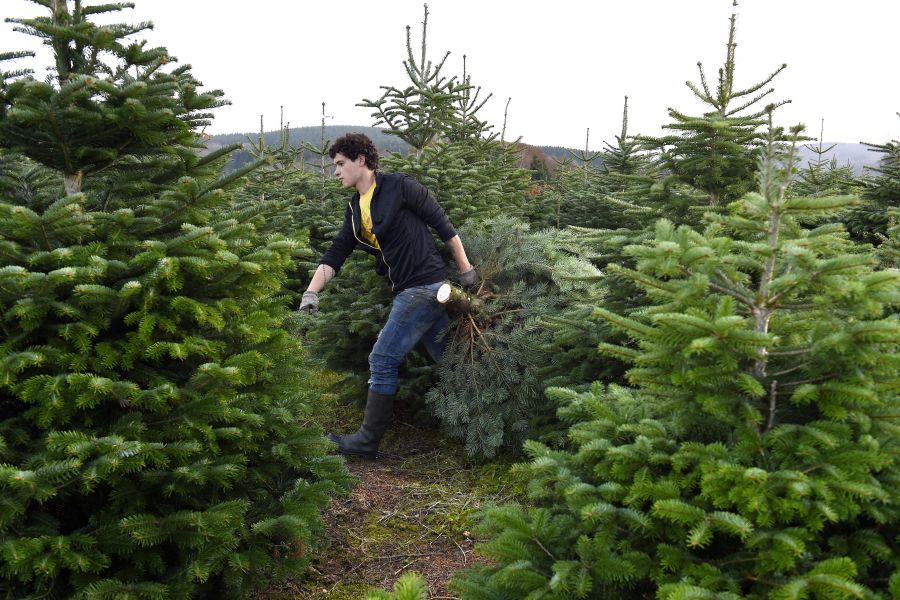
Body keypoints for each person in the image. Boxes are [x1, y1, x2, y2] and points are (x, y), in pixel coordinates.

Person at [299, 133, 478, 458]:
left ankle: (367, 442)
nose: (335, 171)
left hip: (423, 286)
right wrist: (311, 291)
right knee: (448, 359)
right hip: (413, 290)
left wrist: (466, 269)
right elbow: (336, 253)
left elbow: (442, 224)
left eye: (340, 164)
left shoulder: (399, 186)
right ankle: (484, 416)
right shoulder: (355, 210)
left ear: (361, 160)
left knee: (382, 359)